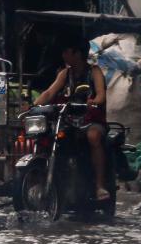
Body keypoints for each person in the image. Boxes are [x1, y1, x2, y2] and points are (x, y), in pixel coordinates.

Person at [33, 36, 110, 201]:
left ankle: (99, 186)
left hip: (91, 119)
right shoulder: (64, 73)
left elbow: (101, 95)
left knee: (93, 137)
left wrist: (93, 102)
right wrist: (33, 106)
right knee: (47, 135)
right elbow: (49, 93)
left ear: (78, 54)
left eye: (67, 52)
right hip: (67, 119)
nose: (64, 55)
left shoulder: (94, 71)